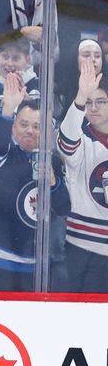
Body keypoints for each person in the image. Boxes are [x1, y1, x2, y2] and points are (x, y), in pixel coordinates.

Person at [0, 76, 69, 291]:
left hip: (38, 265)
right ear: (13, 128)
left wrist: (54, 185)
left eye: (38, 126)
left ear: (49, 131)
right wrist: (8, 111)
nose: (30, 130)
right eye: (24, 124)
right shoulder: (5, 154)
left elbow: (63, 208)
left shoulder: (55, 162)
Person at [57, 59, 108, 291]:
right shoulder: (81, 139)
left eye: (100, 101)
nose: (93, 107)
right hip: (81, 247)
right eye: (88, 103)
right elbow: (67, 139)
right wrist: (80, 96)